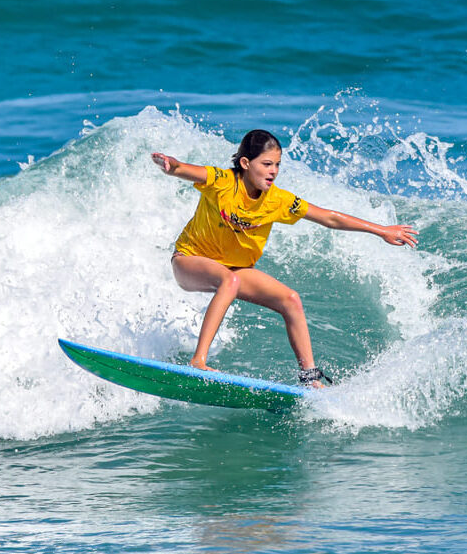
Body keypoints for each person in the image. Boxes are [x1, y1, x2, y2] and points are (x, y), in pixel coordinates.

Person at [152, 129, 418, 386]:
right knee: (229, 281)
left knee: (290, 300)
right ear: (245, 163)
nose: (273, 171)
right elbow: (183, 169)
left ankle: (310, 379)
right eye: (266, 164)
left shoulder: (278, 200)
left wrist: (382, 230)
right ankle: (198, 361)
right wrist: (170, 165)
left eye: (277, 165)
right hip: (190, 260)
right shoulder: (222, 181)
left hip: (234, 268)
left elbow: (329, 217)